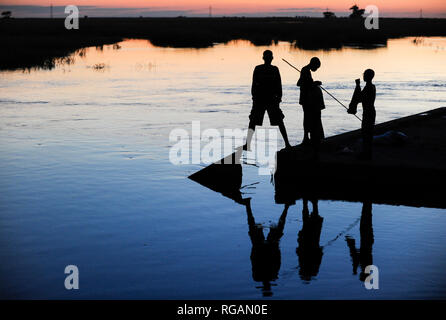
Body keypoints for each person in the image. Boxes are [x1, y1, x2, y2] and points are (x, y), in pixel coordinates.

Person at [243, 50, 292, 151]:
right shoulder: (263, 69)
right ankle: (287, 143)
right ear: (270, 58)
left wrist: (279, 97)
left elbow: (278, 85)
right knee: (254, 121)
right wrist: (255, 97)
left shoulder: (269, 69)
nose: (269, 59)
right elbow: (255, 85)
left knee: (277, 121)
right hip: (263, 99)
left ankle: (287, 143)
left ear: (264, 58)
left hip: (269, 100)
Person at [242, 198, 291, 297]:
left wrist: (256, 248)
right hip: (269, 248)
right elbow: (277, 260)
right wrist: (276, 247)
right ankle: (286, 207)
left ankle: (248, 205)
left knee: (253, 227)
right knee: (278, 229)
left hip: (261, 248)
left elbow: (254, 260)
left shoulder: (259, 276)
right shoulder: (270, 276)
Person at [297, 57, 325, 156]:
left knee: (307, 117)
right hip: (306, 99)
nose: (316, 69)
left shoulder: (305, 70)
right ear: (313, 64)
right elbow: (303, 84)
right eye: (316, 67)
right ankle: (307, 138)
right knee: (308, 118)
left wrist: (312, 83)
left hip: (306, 99)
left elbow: (300, 82)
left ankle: (307, 137)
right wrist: (315, 83)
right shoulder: (305, 70)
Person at [348, 69, 376, 160]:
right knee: (367, 133)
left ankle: (367, 154)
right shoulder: (371, 86)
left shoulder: (368, 88)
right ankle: (367, 153)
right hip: (370, 112)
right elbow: (360, 97)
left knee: (366, 133)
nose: (363, 76)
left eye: (364, 75)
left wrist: (357, 86)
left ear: (368, 76)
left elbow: (359, 98)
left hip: (368, 112)